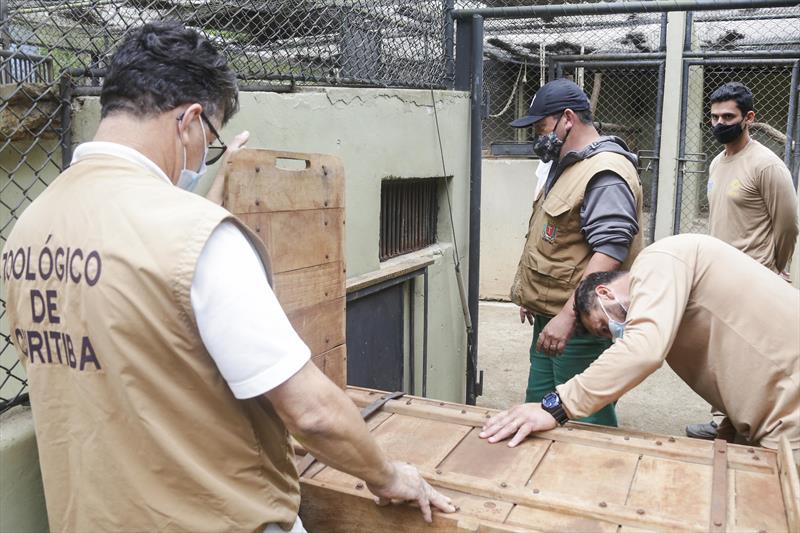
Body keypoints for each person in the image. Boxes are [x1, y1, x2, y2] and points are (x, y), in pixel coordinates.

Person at [1, 23, 454, 532]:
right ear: (190, 121)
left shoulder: (28, 231)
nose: (204, 154)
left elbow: (131, 346)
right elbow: (311, 413)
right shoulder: (201, 240)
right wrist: (388, 475)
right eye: (210, 139)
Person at [480, 234, 800, 463]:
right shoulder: (670, 306)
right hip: (779, 413)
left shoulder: (658, 260)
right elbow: (738, 353)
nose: (615, 336)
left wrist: (555, 405)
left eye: (605, 326)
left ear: (605, 292)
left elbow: (643, 351)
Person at [508, 78, 644, 427]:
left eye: (542, 127)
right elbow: (558, 240)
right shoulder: (568, 164)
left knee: (585, 416)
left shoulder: (605, 172)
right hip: (549, 314)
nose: (539, 137)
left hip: (579, 326)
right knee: (536, 411)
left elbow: (610, 250)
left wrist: (568, 316)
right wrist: (533, 294)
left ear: (568, 118)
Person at [686, 82, 800, 440]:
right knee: (719, 356)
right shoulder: (718, 163)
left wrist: (774, 267)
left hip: (753, 277)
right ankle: (725, 419)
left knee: (749, 360)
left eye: (728, 117)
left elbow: (788, 224)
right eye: (715, 117)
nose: (720, 123)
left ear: (749, 118)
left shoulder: (767, 165)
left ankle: (745, 425)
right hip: (718, 277)